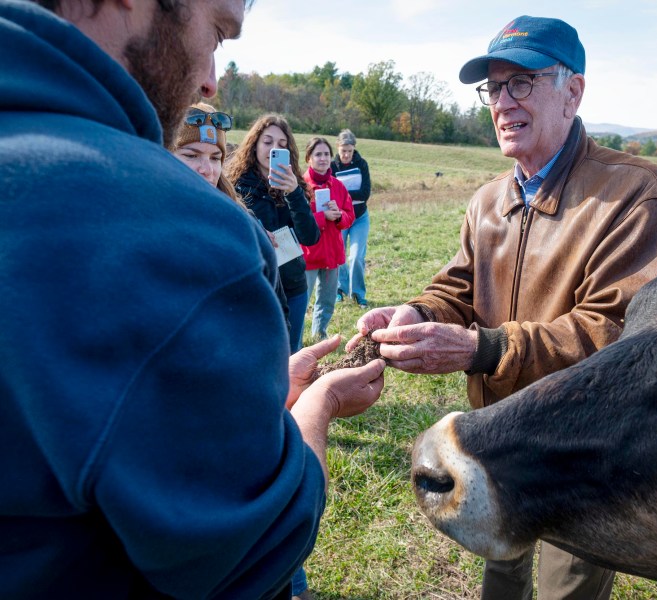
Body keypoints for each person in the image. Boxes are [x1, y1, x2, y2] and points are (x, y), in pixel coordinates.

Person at [0, 2, 385, 599]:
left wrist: (257, 390)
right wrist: (320, 406)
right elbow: (250, 553)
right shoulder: (176, 230)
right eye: (217, 32)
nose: (209, 77)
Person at [349, 15, 657, 600]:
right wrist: (417, 315)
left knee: (567, 586)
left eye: (521, 82)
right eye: (494, 88)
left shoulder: (635, 193)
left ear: (572, 90)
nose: (503, 103)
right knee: (500, 567)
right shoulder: (489, 200)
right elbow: (456, 287)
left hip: (584, 441)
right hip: (499, 429)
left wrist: (485, 348)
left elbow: (617, 333)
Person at [172, 102, 291, 332]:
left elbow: (276, 310)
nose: (207, 169)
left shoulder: (244, 223)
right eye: (191, 155)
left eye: (215, 158)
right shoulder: (143, 224)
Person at [226, 114, 321, 353]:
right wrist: (257, 232)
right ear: (254, 144)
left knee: (291, 357)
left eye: (281, 144)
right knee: (258, 356)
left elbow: (310, 237)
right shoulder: (236, 185)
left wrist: (293, 193)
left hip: (293, 286)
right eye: (267, 142)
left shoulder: (295, 185)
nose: (273, 149)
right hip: (257, 287)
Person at [302, 136, 355, 340]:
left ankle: (319, 336)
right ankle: (295, 340)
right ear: (309, 158)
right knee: (301, 300)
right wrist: (321, 217)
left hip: (332, 253)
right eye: (318, 154)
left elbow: (350, 216)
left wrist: (340, 215)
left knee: (327, 300)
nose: (323, 158)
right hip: (309, 254)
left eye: (326, 154)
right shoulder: (301, 186)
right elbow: (297, 219)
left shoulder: (339, 186)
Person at [331, 129, 372, 308]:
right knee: (339, 256)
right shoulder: (332, 167)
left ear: (354, 148)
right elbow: (332, 195)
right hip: (340, 217)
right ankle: (340, 289)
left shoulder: (362, 164)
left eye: (349, 150)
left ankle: (358, 294)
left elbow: (365, 194)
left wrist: (343, 193)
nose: (346, 154)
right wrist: (348, 196)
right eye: (343, 150)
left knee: (356, 257)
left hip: (360, 218)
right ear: (338, 148)